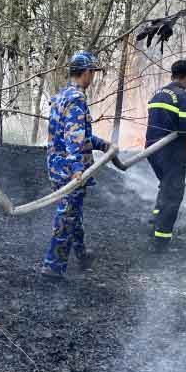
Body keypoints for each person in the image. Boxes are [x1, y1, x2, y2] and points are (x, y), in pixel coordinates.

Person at [41, 51, 110, 278]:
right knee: (67, 215)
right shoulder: (77, 99)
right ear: (87, 72)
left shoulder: (62, 95)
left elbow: (72, 133)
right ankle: (52, 267)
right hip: (69, 169)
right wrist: (77, 169)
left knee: (73, 212)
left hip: (56, 164)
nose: (93, 77)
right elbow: (73, 138)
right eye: (93, 73)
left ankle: (81, 254)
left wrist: (101, 144)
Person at [145, 58, 186, 251]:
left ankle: (155, 219)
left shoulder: (157, 94)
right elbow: (184, 131)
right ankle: (161, 241)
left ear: (173, 74)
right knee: (174, 194)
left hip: (152, 150)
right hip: (172, 152)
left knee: (165, 185)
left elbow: (170, 124)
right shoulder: (185, 97)